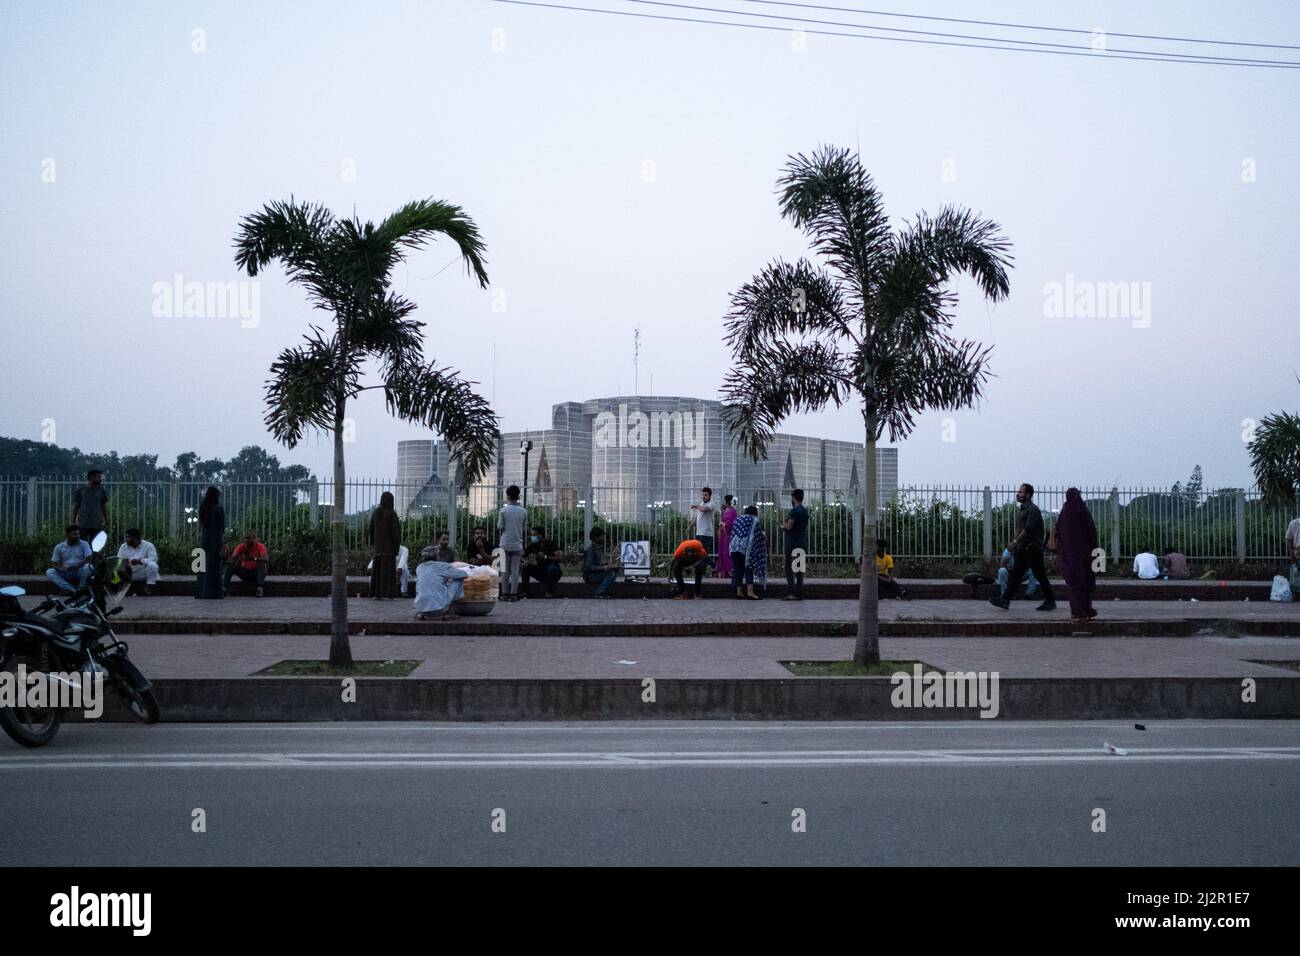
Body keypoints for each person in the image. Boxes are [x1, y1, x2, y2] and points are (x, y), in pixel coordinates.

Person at [989, 483, 1056, 611]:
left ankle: (1050, 601)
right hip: (1024, 547)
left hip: (1033, 548)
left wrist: (1015, 542)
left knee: (1040, 575)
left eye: (1021, 492)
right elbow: (1019, 528)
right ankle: (1005, 600)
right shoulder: (1023, 509)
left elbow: (1028, 529)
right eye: (1018, 492)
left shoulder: (1033, 509)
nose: (1018, 494)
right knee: (1016, 575)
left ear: (1028, 495)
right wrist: (1015, 542)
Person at [1055, 487, 1099, 625]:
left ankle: (1077, 612)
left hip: (1067, 555)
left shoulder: (1064, 512)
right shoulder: (1082, 510)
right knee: (1084, 582)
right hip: (1084, 554)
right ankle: (1085, 610)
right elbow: (1091, 531)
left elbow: (1057, 532)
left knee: (1074, 584)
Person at [413, 550, 468, 619]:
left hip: (421, 609)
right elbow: (464, 574)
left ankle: (423, 612)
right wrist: (448, 576)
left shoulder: (419, 567)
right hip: (440, 609)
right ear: (437, 556)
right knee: (458, 580)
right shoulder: (442, 565)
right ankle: (450, 609)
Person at [366, 491, 402, 599]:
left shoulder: (376, 513)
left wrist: (373, 543)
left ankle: (377, 593)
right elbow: (395, 532)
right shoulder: (392, 514)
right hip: (389, 548)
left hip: (378, 548)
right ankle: (389, 593)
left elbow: (371, 529)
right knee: (388, 572)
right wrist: (396, 546)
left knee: (377, 572)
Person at [195, 485, 224, 599]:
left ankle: (201, 591)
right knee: (214, 566)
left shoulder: (203, 507)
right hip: (215, 539)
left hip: (205, 538)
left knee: (203, 565)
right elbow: (221, 527)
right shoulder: (218, 508)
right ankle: (214, 592)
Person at [498, 485, 526, 602]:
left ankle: (504, 593)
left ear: (507, 496)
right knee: (515, 570)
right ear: (518, 495)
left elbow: (500, 526)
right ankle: (514, 594)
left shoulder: (503, 511)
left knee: (504, 570)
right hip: (517, 544)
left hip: (505, 544)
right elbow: (524, 528)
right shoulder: (523, 511)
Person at [728, 506, 762, 599]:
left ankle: (739, 592)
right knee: (748, 567)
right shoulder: (754, 519)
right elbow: (758, 534)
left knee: (737, 568)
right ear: (755, 513)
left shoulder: (738, 519)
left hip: (733, 546)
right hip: (745, 546)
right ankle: (750, 592)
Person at [47, 525, 93, 593]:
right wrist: (61, 568)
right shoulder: (59, 547)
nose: (77, 536)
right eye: (74, 534)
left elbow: (89, 558)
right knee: (50, 572)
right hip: (66, 572)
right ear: (67, 535)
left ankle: (81, 588)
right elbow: (53, 563)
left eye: (78, 534)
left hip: (79, 571)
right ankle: (71, 589)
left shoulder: (84, 544)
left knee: (89, 567)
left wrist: (76, 565)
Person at [783, 488, 809, 601]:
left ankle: (792, 592)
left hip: (792, 543)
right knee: (799, 569)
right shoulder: (805, 511)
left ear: (793, 498)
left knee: (789, 568)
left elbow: (789, 527)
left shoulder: (794, 511)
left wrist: (783, 525)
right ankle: (799, 592)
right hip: (802, 541)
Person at [522, 525, 562, 598]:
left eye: (534, 535)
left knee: (551, 568)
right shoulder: (533, 545)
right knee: (526, 567)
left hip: (553, 572)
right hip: (540, 571)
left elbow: (559, 558)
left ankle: (549, 592)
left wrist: (546, 557)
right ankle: (525, 592)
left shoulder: (551, 543)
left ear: (540, 535)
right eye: (532, 535)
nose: (532, 537)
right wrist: (525, 561)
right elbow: (522, 555)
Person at [223, 532, 269, 596]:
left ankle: (259, 589)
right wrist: (227, 558)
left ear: (255, 541)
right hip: (245, 572)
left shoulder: (260, 546)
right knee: (230, 566)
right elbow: (233, 558)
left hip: (256, 574)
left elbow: (266, 559)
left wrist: (254, 559)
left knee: (261, 564)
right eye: (247, 544)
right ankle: (224, 588)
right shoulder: (241, 547)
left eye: (250, 545)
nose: (249, 547)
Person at [117, 528, 159, 595]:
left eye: (128, 537)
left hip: (144, 572)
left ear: (136, 539)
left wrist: (140, 561)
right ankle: (124, 589)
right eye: (126, 537)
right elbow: (119, 561)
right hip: (130, 573)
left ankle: (149, 588)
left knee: (153, 565)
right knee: (118, 569)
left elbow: (154, 559)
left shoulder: (148, 545)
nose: (126, 539)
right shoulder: (123, 547)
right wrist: (127, 564)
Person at [71, 469, 108, 543]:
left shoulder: (101, 491)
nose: (100, 479)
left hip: (97, 523)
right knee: (82, 544)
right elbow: (76, 506)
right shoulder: (81, 490)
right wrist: (73, 520)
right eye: (98, 477)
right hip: (83, 523)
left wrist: (106, 519)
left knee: (95, 546)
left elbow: (103, 506)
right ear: (91, 477)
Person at [582, 526, 619, 598]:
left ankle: (605, 592)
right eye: (601, 536)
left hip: (596, 573)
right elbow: (589, 567)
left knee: (614, 571)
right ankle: (599, 593)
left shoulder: (598, 548)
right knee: (610, 573)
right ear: (596, 537)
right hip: (589, 575)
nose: (603, 538)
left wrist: (609, 565)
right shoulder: (591, 550)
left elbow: (598, 563)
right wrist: (603, 567)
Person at [689, 487, 715, 568]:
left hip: (706, 533)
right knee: (699, 552)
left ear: (710, 496)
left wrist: (696, 506)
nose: (704, 496)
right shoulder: (701, 503)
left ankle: (713, 565)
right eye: (703, 494)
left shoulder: (711, 504)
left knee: (702, 552)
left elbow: (704, 510)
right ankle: (703, 569)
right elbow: (698, 517)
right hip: (699, 532)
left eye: (706, 495)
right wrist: (690, 527)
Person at [715, 495, 736, 578]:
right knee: (724, 553)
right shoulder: (729, 511)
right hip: (725, 535)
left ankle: (727, 571)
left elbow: (729, 523)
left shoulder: (731, 511)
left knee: (726, 553)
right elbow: (723, 522)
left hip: (727, 535)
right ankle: (725, 571)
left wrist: (723, 525)